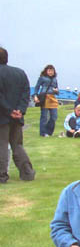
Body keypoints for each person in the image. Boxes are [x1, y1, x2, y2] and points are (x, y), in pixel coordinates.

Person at [0, 47, 35, 183]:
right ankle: (27, 173)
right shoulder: (20, 73)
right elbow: (26, 93)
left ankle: (2, 176)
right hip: (17, 116)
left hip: (2, 116)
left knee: (2, 146)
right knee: (17, 145)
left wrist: (9, 111)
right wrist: (20, 110)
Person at [33, 64, 59, 137]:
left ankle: (48, 132)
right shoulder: (42, 78)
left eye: (52, 71)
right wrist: (35, 95)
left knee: (54, 116)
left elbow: (57, 89)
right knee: (44, 117)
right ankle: (43, 133)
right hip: (45, 97)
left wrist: (56, 91)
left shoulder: (55, 79)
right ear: (46, 71)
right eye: (49, 71)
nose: (51, 72)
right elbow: (37, 87)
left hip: (52, 97)